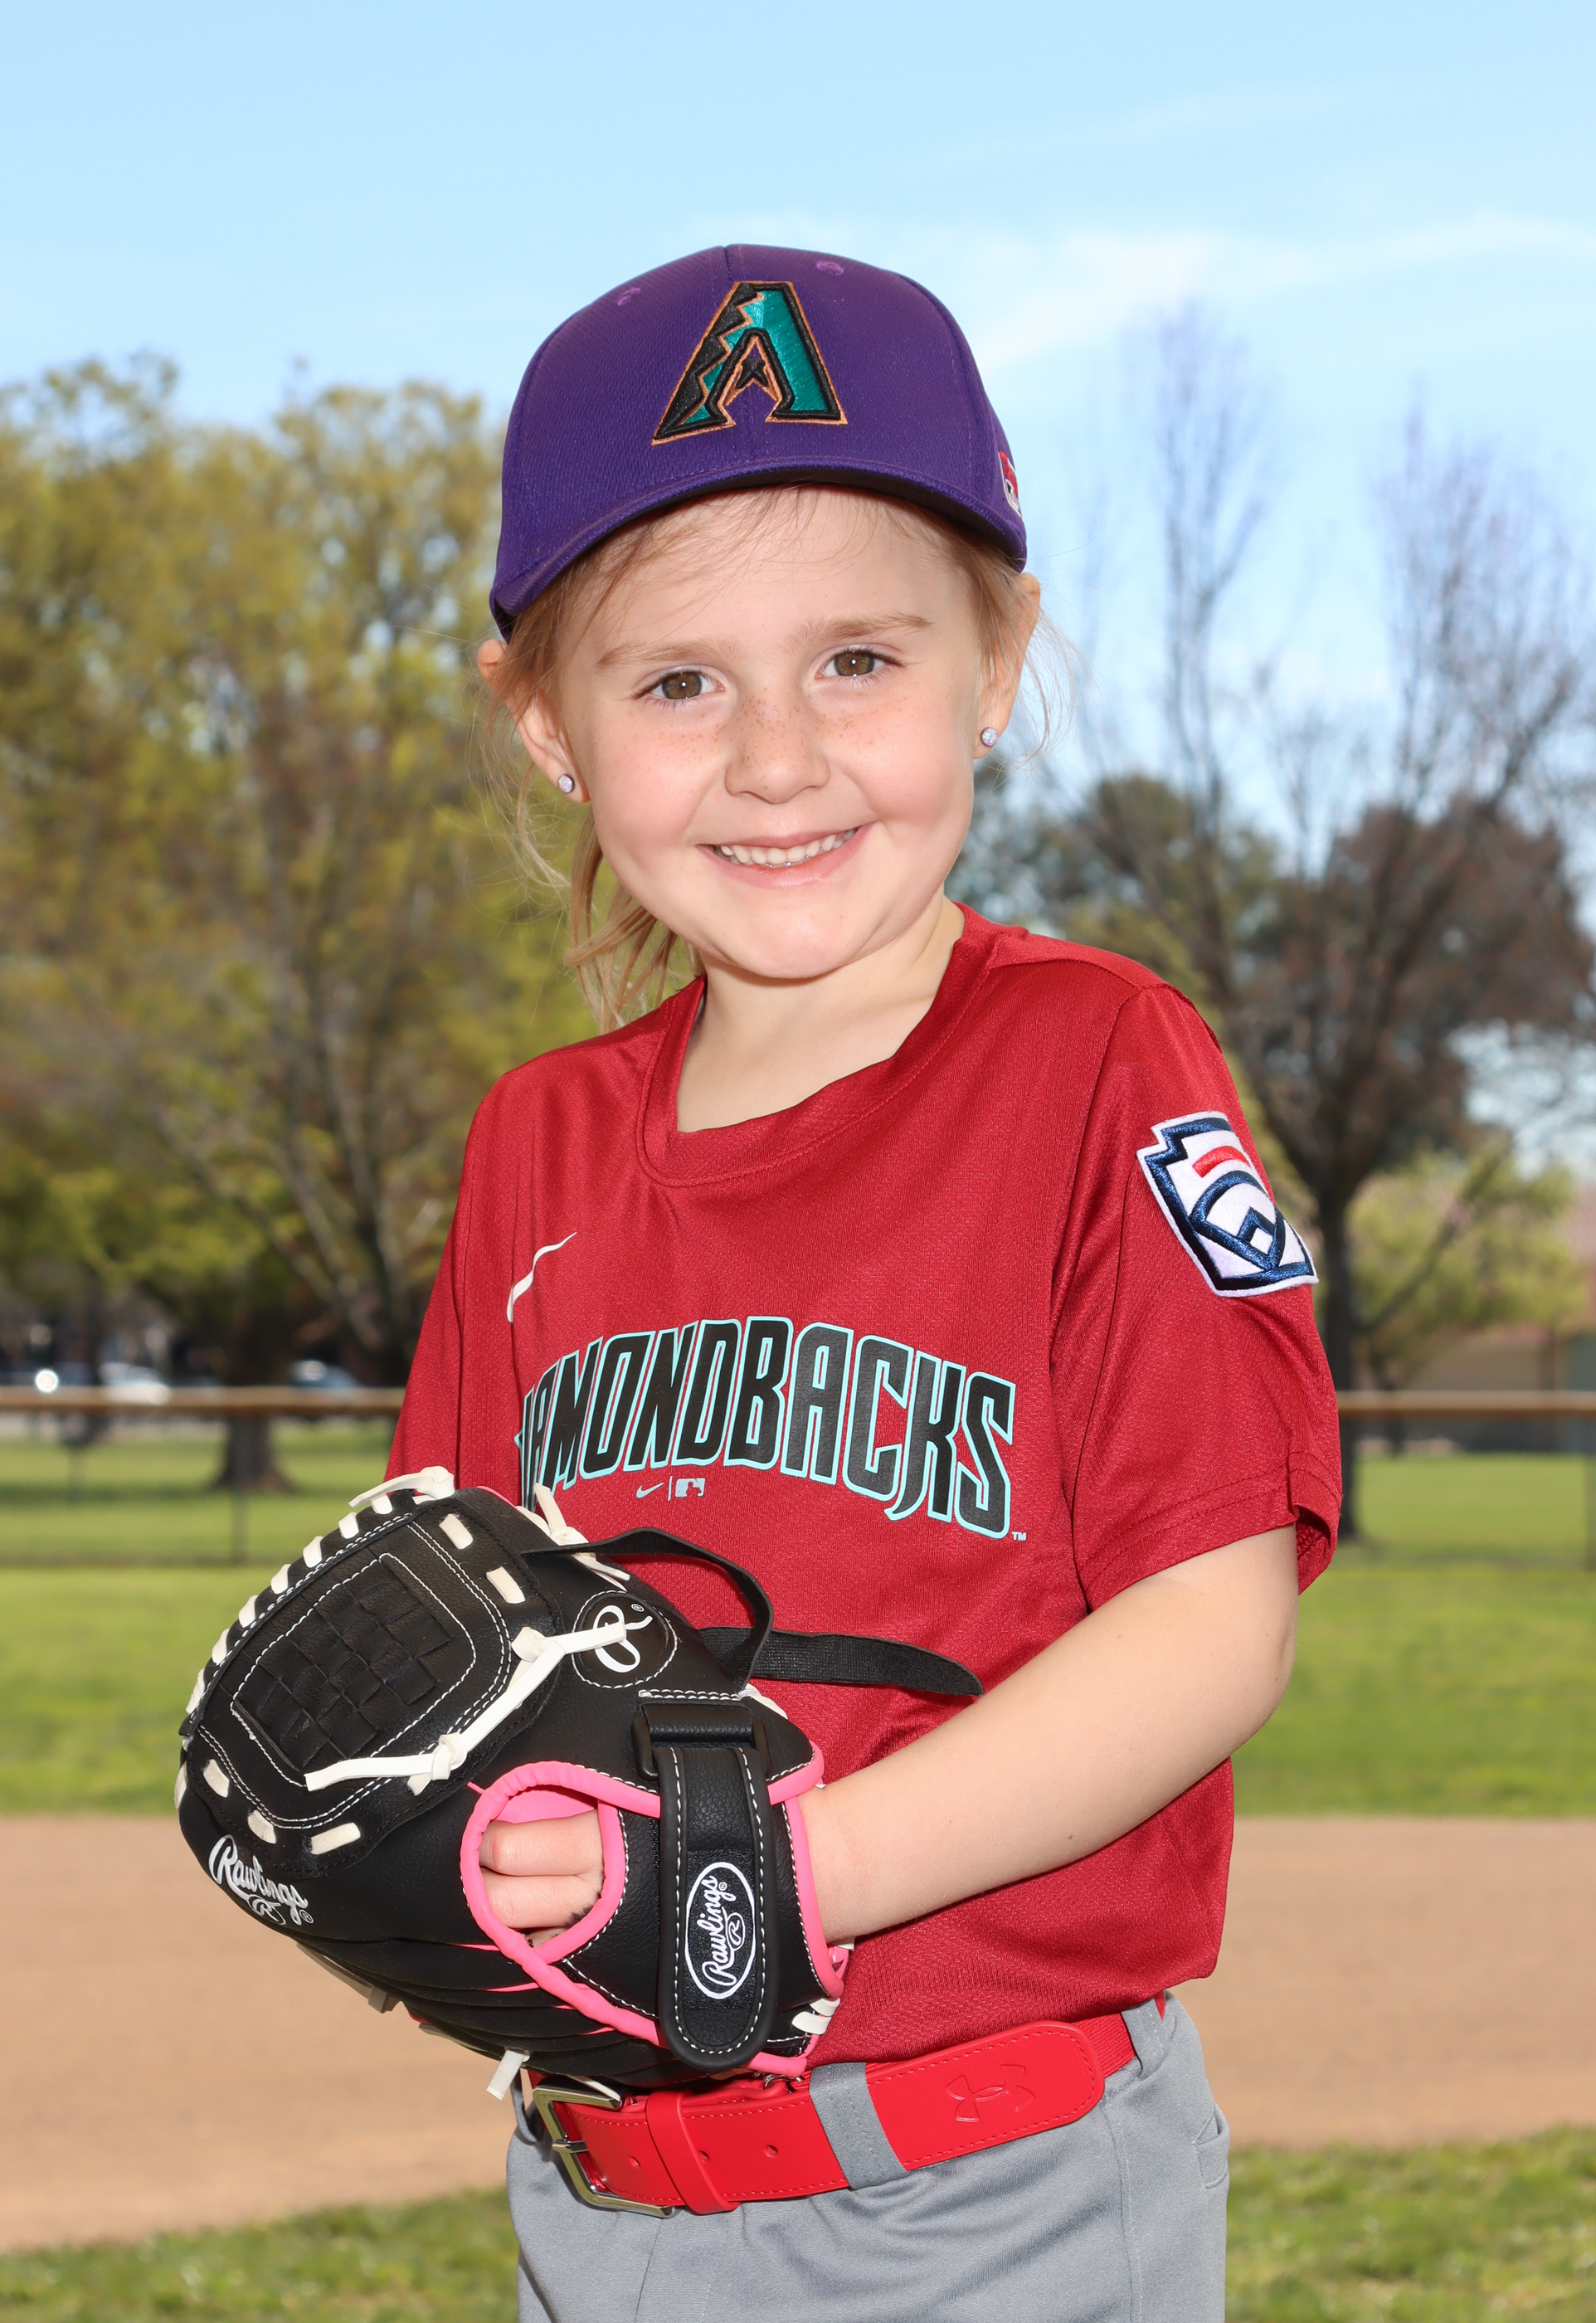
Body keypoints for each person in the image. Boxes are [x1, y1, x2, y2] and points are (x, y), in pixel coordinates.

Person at [389, 245, 1341, 2323]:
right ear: (547, 728)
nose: (774, 758)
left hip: (987, 2191)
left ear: (993, 658)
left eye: (853, 659)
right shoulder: (536, 1145)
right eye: (675, 682)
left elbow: (1210, 1622)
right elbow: (473, 1660)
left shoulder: (1093, 1062)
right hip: (597, 2198)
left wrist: (775, 1867)